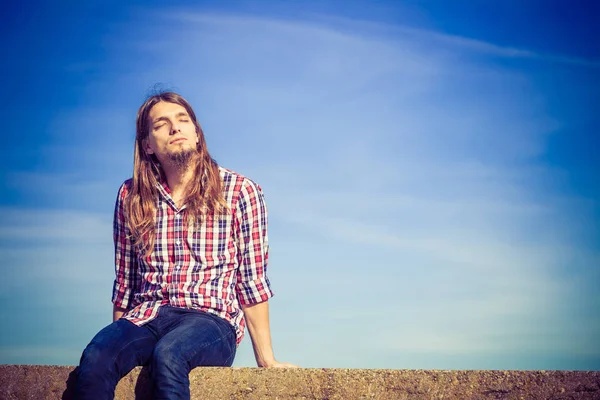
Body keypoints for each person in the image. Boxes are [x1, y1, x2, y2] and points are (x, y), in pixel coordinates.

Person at [74, 91, 296, 400]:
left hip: (210, 321)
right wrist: (116, 341)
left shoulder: (239, 192)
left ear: (197, 133)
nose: (175, 128)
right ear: (148, 145)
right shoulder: (130, 196)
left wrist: (266, 359)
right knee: (97, 356)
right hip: (146, 316)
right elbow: (126, 281)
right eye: (162, 123)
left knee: (170, 354)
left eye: (183, 120)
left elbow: (251, 281)